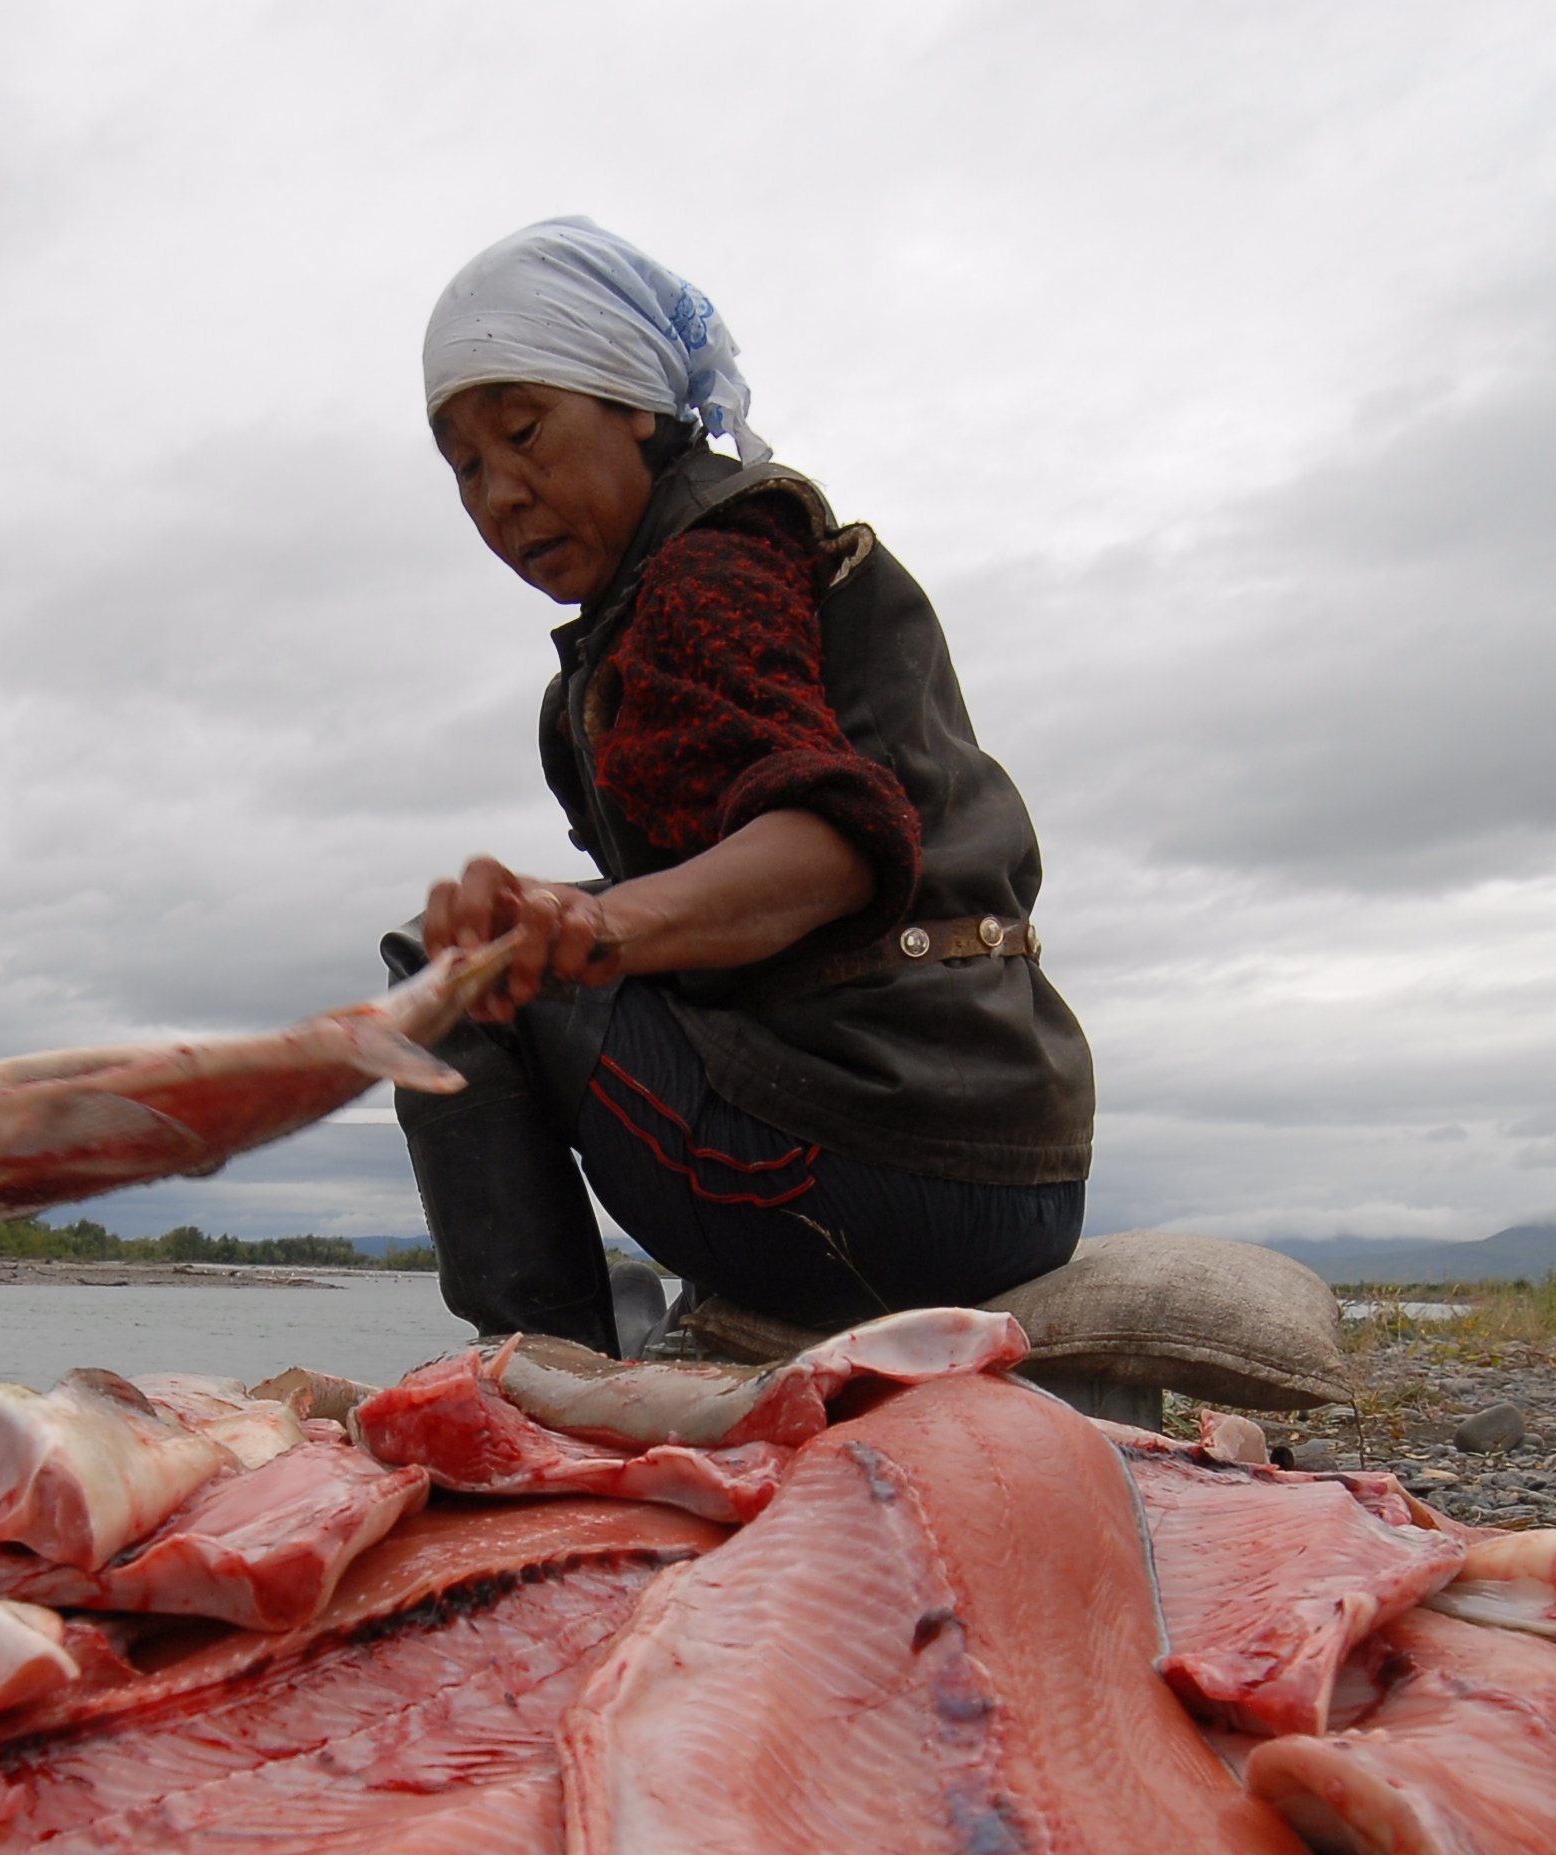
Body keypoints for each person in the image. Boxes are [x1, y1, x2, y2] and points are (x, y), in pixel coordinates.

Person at [395, 216, 1093, 1355]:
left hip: (876, 1170)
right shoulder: (709, 570)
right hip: (1011, 1168)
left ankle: (538, 1385)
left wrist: (588, 924)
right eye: (465, 466)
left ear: (632, 404)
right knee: (513, 942)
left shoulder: (708, 568)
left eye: (524, 433)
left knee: (454, 972)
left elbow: (829, 847)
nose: (500, 494)